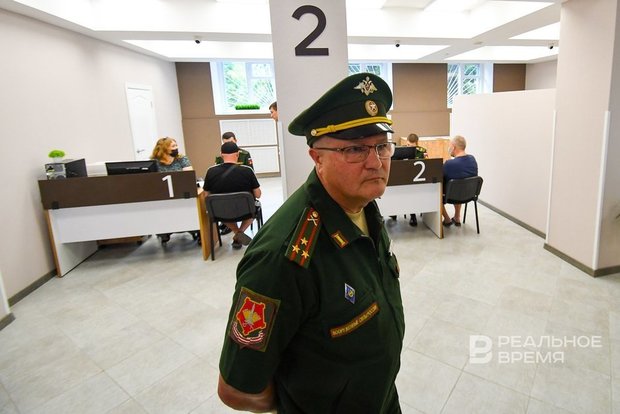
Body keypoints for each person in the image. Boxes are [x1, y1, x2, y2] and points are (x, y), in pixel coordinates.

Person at [217, 73, 404, 413]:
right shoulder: (282, 257)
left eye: (381, 146)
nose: (376, 162)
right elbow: (236, 390)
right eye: (355, 149)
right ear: (317, 157)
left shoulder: (363, 206)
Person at [204, 141, 261, 249]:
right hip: (246, 211)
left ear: (221, 155)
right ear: (238, 154)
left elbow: (207, 195)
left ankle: (237, 233)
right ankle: (239, 233)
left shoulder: (210, 171)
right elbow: (258, 195)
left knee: (217, 208)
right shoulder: (247, 171)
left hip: (221, 212)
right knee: (254, 207)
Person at [150, 137, 196, 243]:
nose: (176, 148)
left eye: (176, 145)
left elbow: (188, 175)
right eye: (173, 146)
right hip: (163, 195)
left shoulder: (181, 159)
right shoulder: (154, 163)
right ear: (164, 148)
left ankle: (193, 228)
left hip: (181, 192)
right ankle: (164, 230)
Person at [215, 131, 254, 235]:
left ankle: (236, 231)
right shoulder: (219, 157)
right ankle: (238, 232)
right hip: (226, 189)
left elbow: (251, 172)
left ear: (236, 141)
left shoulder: (244, 154)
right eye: (225, 143)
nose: (229, 145)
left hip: (242, 187)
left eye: (231, 142)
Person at [441, 135, 478, 226]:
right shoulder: (472, 159)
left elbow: (440, 177)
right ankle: (457, 217)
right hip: (469, 194)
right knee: (459, 186)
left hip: (451, 196)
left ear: (453, 147)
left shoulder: (449, 164)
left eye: (450, 145)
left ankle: (447, 219)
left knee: (436, 194)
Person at [406, 133, 427, 226]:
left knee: (412, 193)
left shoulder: (422, 151)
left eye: (412, 146)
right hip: (405, 177)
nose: (409, 148)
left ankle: (413, 216)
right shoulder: (403, 150)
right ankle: (393, 213)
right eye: (408, 145)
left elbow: (427, 165)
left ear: (417, 143)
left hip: (418, 180)